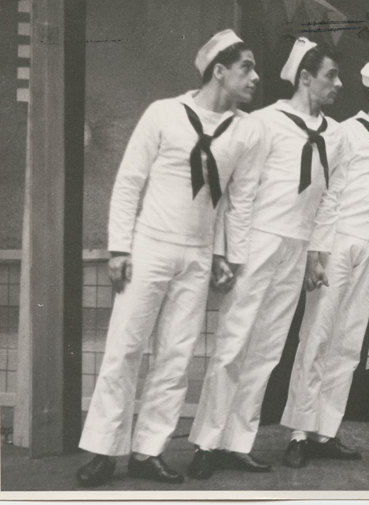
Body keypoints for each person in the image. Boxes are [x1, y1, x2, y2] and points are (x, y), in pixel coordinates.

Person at [75, 29, 264, 487]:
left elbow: (241, 201)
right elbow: (128, 183)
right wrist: (120, 246)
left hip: (197, 257)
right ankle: (104, 450)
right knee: (124, 348)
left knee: (176, 357)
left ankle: (148, 451)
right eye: (247, 68)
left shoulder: (248, 131)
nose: (255, 78)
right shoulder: (164, 114)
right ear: (219, 70)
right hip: (150, 247)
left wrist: (228, 257)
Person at [187, 37, 347, 479]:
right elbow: (241, 194)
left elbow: (329, 200)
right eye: (331, 75)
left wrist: (317, 254)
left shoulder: (335, 136)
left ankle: (238, 442)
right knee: (233, 343)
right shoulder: (263, 122)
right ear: (305, 78)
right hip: (257, 242)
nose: (338, 83)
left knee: (267, 349)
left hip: (296, 249)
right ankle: (206, 441)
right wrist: (234, 254)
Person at [280, 60, 369, 468]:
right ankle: (300, 432)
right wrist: (317, 254)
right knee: (317, 336)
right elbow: (327, 196)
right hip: (337, 244)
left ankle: (326, 430)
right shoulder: (344, 135)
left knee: (349, 345)